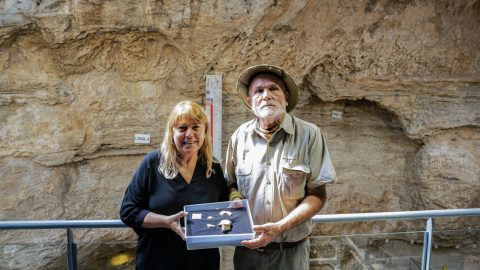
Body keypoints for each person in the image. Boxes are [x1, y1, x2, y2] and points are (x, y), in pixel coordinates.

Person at [225, 64, 338, 270]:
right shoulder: (238, 138)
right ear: (251, 102)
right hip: (248, 253)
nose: (266, 95)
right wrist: (234, 198)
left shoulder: (310, 135)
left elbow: (317, 194)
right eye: (258, 91)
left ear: (285, 97)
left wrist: (280, 227)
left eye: (273, 89)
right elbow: (230, 185)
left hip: (291, 254)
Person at [120, 100, 228, 270]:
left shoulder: (212, 168)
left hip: (203, 262)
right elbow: (128, 212)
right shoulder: (152, 163)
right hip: (157, 261)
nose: (189, 134)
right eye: (182, 128)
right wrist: (166, 222)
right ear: (172, 132)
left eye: (196, 127)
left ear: (205, 131)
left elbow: (224, 210)